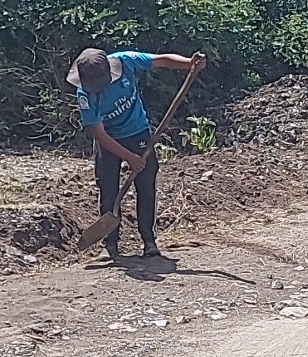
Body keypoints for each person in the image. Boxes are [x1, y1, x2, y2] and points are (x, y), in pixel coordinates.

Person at [68, 46, 206, 260]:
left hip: (138, 132)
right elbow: (100, 135)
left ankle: (149, 241)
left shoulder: (125, 62)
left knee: (146, 185)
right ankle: (110, 245)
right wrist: (130, 158)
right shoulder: (84, 95)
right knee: (108, 190)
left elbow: (161, 60)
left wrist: (189, 63)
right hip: (109, 140)